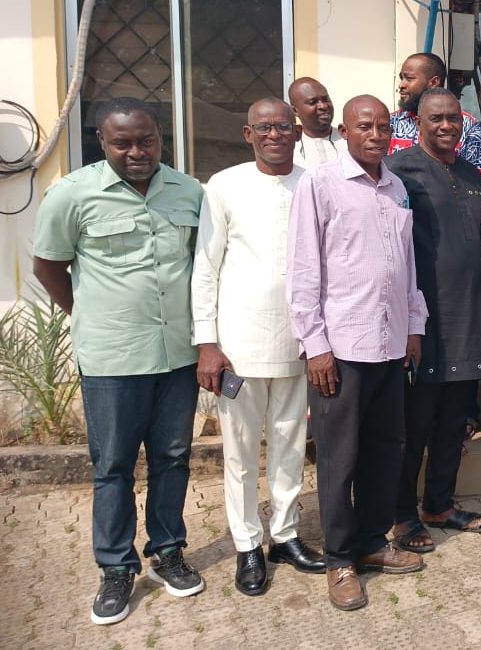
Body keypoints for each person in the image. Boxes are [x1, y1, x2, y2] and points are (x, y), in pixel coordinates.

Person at [32, 97, 205, 625]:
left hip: (177, 354)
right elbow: (48, 268)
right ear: (101, 142)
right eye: (122, 143)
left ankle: (168, 551)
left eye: (146, 140)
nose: (136, 152)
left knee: (173, 458)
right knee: (113, 466)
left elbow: (200, 265)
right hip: (112, 358)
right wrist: (92, 315)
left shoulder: (188, 191)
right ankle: (115, 567)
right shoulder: (71, 194)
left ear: (160, 138)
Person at [288, 95, 428, 611]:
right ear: (344, 132)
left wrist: (414, 326)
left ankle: (372, 541)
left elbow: (406, 266)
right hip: (341, 348)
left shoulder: (396, 188)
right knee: (339, 459)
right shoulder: (320, 184)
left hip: (390, 345)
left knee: (384, 450)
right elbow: (303, 270)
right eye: (364, 126)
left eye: (383, 126)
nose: (375, 135)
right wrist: (315, 345)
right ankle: (340, 559)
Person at [191, 98, 327, 597]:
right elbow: (205, 267)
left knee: (291, 446)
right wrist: (207, 342)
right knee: (241, 452)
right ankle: (247, 543)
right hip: (239, 345)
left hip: (299, 341)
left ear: (297, 132)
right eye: (264, 128)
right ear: (248, 134)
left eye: (284, 127)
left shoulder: (315, 182)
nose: (275, 135)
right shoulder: (224, 185)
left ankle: (285, 535)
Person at [383, 89, 481, 553]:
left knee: (453, 422)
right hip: (422, 322)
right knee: (414, 427)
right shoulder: (399, 171)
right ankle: (402, 515)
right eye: (437, 118)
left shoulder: (471, 174)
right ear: (418, 122)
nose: (447, 126)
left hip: (468, 317)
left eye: (454, 118)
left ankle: (439, 505)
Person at [388, 53, 481, 175]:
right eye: (402, 78)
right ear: (419, 122)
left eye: (409, 78)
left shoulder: (468, 125)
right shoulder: (390, 122)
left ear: (434, 82)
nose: (401, 85)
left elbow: (474, 177)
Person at [288, 77, 344, 167]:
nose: (323, 106)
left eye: (326, 100)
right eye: (312, 102)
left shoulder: (348, 140)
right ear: (295, 111)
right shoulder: (288, 147)